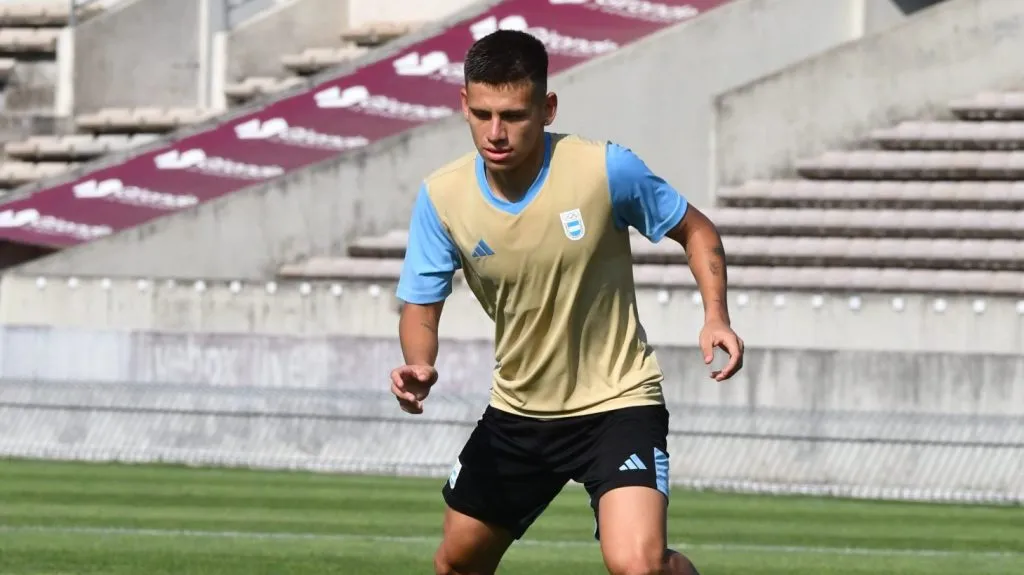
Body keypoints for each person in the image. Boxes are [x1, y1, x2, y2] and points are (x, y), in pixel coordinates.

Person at [389, 29, 744, 575]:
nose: (496, 132)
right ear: (463, 104)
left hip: (617, 402)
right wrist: (420, 362)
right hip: (518, 411)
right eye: (481, 114)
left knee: (638, 565)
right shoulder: (442, 197)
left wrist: (715, 315)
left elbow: (696, 230)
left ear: (547, 107)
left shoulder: (604, 170)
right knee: (457, 564)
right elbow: (420, 302)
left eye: (514, 114)